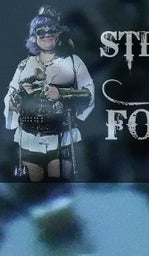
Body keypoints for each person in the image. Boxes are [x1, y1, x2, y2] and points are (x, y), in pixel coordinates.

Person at [5, 7, 93, 181]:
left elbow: (87, 95)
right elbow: (11, 98)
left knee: (58, 181)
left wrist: (61, 94)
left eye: (51, 31)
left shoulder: (75, 64)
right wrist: (16, 103)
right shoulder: (24, 66)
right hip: (30, 139)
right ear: (34, 36)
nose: (46, 35)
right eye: (41, 32)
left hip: (61, 138)